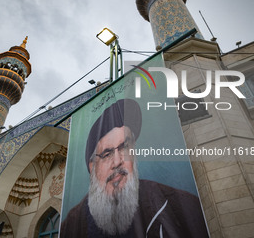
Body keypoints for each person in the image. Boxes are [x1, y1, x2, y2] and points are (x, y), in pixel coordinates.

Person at [60, 99, 209, 238]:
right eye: (107, 154)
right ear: (92, 167)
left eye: (124, 147)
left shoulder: (182, 206)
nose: (118, 161)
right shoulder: (72, 225)